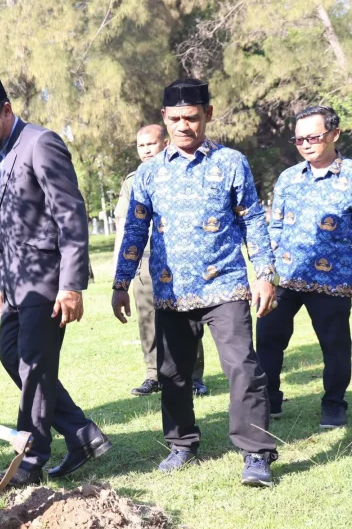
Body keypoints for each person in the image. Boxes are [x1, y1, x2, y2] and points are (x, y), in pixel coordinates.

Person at [112, 79, 279, 487]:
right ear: (164, 119)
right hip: (170, 290)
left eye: (192, 117)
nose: (184, 125)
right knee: (173, 373)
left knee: (242, 366)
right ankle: (182, 443)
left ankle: (256, 454)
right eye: (175, 119)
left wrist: (265, 273)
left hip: (225, 285)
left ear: (208, 113)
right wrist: (120, 283)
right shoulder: (148, 174)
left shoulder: (232, 163)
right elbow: (135, 231)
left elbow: (252, 219)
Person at [0, 78, 111, 486]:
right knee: (13, 355)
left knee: (34, 364)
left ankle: (30, 458)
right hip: (13, 283)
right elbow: (1, 223)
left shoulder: (41, 143)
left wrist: (72, 284)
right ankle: (81, 433)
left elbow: (70, 215)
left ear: (7, 110)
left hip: (49, 279)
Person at [257, 105, 351, 430]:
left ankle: (334, 404)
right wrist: (266, 273)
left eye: (314, 136)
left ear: (334, 134)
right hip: (286, 278)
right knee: (268, 338)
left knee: (335, 346)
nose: (306, 144)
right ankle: (270, 400)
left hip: (334, 282)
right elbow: (275, 229)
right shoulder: (288, 179)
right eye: (299, 140)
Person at [113, 125, 209, 398]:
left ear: (165, 143)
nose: (145, 151)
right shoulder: (133, 180)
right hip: (144, 259)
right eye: (141, 146)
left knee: (188, 314)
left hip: (179, 259)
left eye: (150, 145)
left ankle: (194, 376)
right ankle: (153, 375)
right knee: (147, 319)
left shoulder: (181, 172)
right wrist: (120, 270)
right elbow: (123, 225)